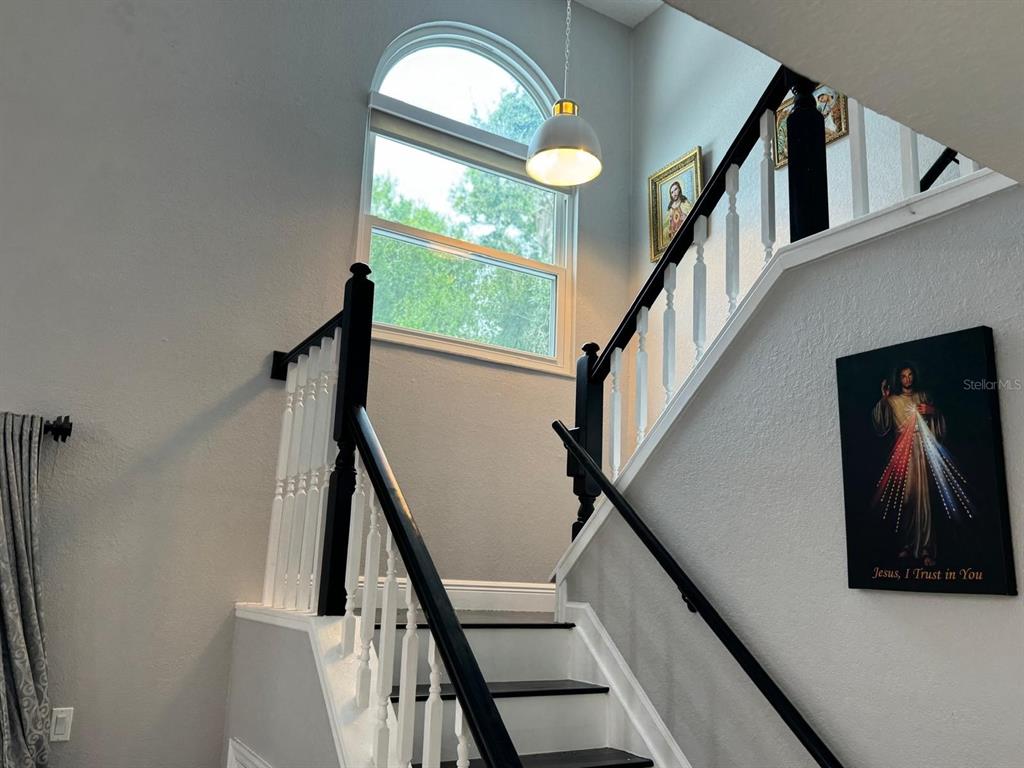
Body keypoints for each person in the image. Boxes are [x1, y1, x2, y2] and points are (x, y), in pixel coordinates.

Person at [872, 363, 945, 565]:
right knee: (906, 499)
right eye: (903, 376)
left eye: (910, 375)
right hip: (903, 453)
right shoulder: (893, 400)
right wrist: (884, 399)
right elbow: (881, 424)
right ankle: (907, 544)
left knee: (925, 500)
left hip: (922, 452)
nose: (907, 379)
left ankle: (926, 549)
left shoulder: (923, 397)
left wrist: (933, 412)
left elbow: (938, 426)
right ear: (899, 378)